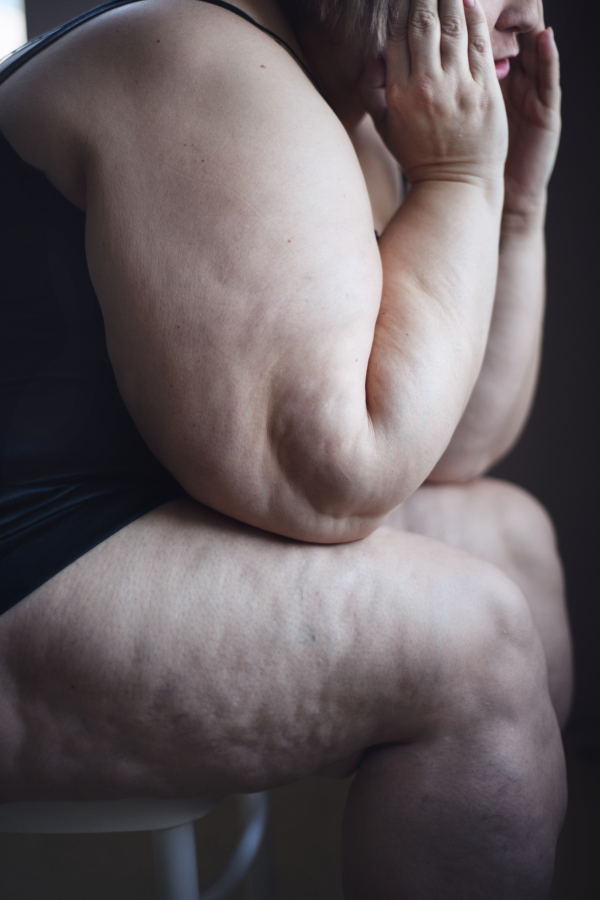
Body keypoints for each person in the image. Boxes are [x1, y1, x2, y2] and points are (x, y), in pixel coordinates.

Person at [0, 0, 571, 894]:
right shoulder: (212, 68)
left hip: (106, 531)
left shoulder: (341, 113)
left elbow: (451, 444)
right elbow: (339, 477)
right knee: (475, 646)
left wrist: (513, 209)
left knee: (511, 543)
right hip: (21, 563)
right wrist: (461, 182)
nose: (527, 16)